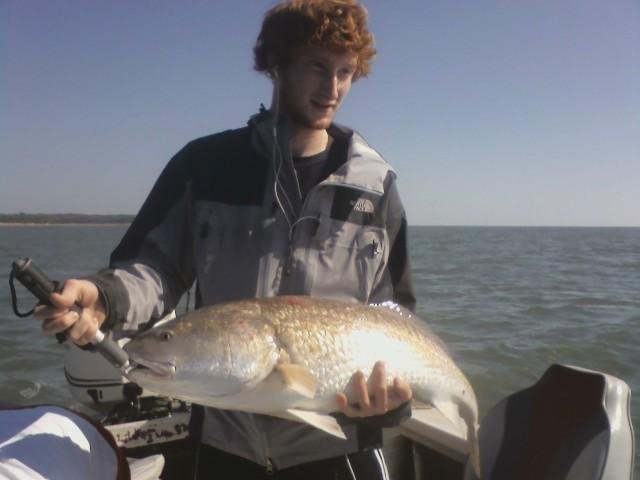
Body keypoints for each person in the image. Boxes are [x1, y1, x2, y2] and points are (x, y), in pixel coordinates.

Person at [35, 1, 416, 478]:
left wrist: (392, 401)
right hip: (226, 443)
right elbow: (155, 269)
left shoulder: (376, 186)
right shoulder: (206, 166)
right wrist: (105, 297)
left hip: (340, 448)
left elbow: (394, 312)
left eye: (345, 71)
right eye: (317, 67)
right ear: (277, 64)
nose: (332, 88)